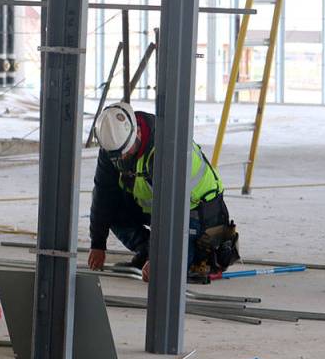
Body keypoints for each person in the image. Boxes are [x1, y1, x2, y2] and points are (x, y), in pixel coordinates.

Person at [87, 102, 239, 282]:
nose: (121, 159)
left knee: (173, 271)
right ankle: (147, 249)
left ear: (138, 133)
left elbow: (169, 211)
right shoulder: (113, 147)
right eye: (116, 156)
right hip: (156, 207)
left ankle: (199, 253)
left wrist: (158, 258)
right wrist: (97, 244)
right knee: (111, 210)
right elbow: (103, 195)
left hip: (199, 213)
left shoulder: (166, 147)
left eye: (125, 153)